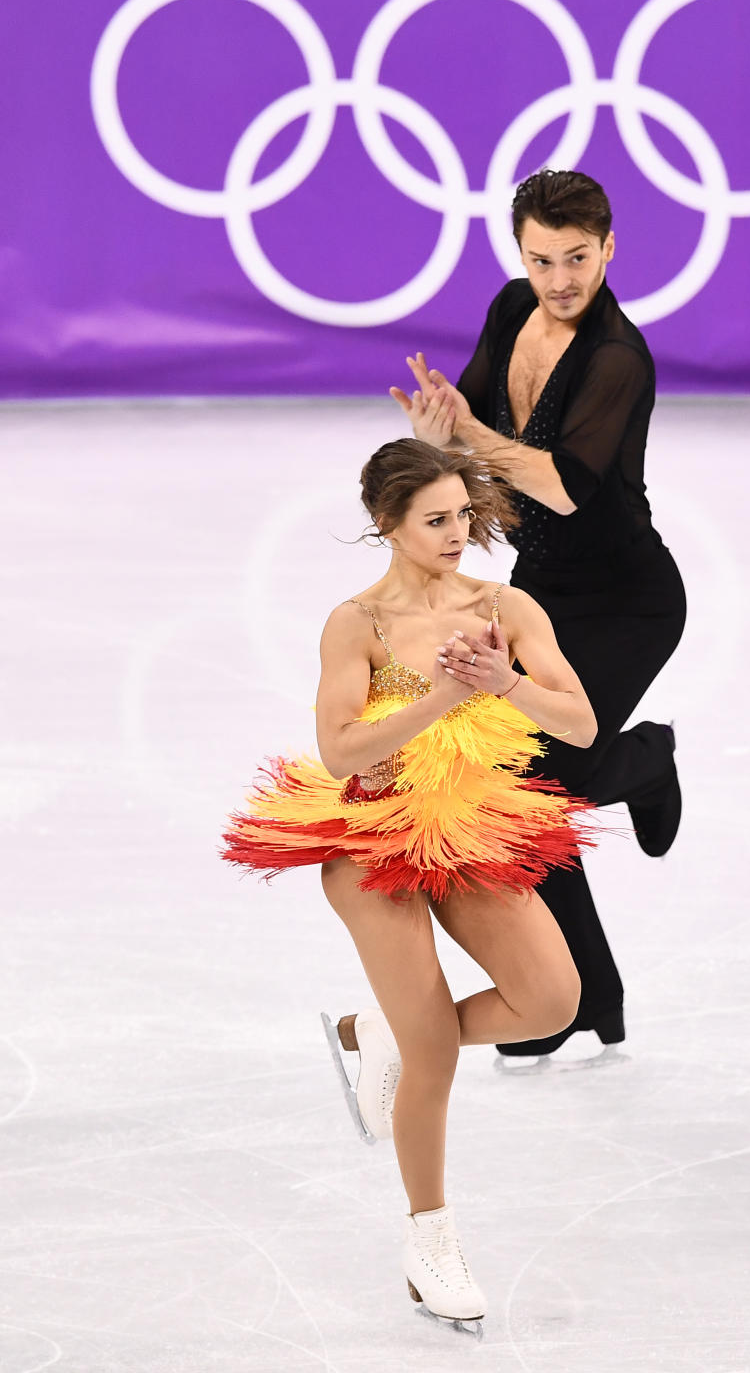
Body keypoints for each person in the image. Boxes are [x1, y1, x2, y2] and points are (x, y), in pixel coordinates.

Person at [222, 438, 598, 1331]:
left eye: (464, 514)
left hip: (468, 820)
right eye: (436, 520)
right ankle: (430, 1241)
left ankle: (378, 1031)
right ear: (386, 525)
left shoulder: (504, 605)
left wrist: (503, 681)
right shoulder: (358, 622)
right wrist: (437, 697)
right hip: (365, 837)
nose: (458, 533)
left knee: (551, 1000)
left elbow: (580, 725)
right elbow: (343, 751)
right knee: (434, 1053)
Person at [389, 168, 686, 1061]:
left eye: (579, 259)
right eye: (542, 258)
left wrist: (470, 440)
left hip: (629, 598)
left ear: (609, 249)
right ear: (520, 253)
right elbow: (474, 425)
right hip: (539, 593)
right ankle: (586, 994)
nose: (560, 279)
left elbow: (559, 485)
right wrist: (440, 429)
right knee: (517, 790)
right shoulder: (511, 307)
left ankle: (645, 759)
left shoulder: (617, 358)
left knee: (548, 777)